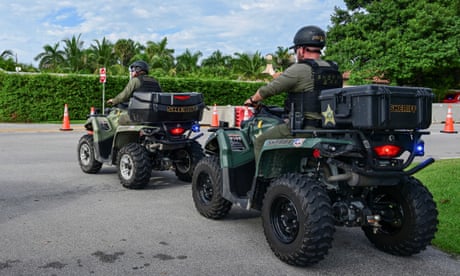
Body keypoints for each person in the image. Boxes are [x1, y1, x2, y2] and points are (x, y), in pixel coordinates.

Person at [244, 25, 343, 162]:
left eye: (296, 51)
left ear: (301, 50)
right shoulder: (334, 70)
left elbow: (269, 89)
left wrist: (253, 99)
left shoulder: (299, 69)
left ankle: (264, 181)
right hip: (330, 127)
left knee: (261, 141)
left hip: (305, 128)